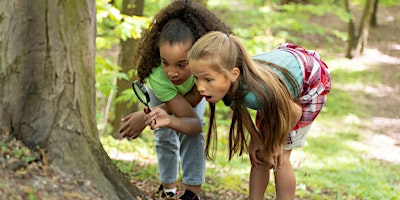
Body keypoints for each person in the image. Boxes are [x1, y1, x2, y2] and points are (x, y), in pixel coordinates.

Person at [187, 31, 331, 199]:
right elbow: (237, 106)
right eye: (196, 78)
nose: (200, 87)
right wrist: (255, 138)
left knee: (280, 156)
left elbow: (294, 111)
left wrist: (278, 141)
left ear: (234, 74)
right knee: (260, 154)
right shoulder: (228, 83)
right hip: (281, 84)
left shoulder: (259, 92)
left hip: (311, 81)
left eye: (208, 80)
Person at [118, 1, 231, 199]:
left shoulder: (205, 71)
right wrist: (150, 117)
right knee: (163, 134)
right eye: (165, 62)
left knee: (192, 135)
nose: (172, 72)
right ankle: (168, 187)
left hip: (192, 95)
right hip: (161, 94)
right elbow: (172, 109)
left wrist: (144, 117)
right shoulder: (158, 76)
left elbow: (192, 123)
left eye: (181, 64)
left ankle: (192, 192)